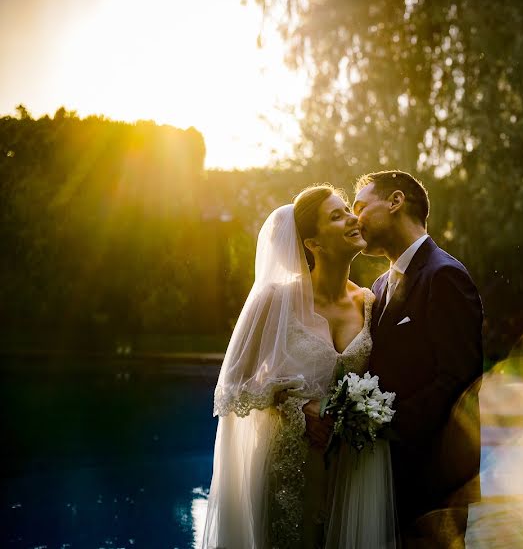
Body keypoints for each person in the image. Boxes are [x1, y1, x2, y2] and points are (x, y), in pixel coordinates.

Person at [201, 185, 397, 549]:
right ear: (313, 243)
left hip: (348, 474)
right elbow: (229, 390)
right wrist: (292, 405)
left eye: (348, 210)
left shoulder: (370, 302)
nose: (353, 218)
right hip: (288, 469)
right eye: (336, 216)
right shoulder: (276, 299)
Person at [353, 170, 484, 547]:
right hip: (387, 478)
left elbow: (457, 379)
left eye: (361, 206)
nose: (354, 217)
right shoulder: (380, 285)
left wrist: (380, 425)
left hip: (433, 484)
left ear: (395, 202)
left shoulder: (444, 276)